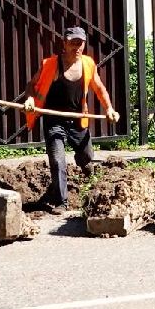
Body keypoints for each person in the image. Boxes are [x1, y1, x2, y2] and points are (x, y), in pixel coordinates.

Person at [24, 25, 119, 212]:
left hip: (77, 119)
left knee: (86, 156)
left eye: (80, 43)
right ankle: (61, 202)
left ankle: (85, 170)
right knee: (58, 160)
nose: (77, 48)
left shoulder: (87, 64)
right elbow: (31, 85)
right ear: (64, 44)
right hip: (53, 119)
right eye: (73, 43)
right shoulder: (50, 64)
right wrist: (29, 98)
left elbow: (99, 88)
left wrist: (109, 108)